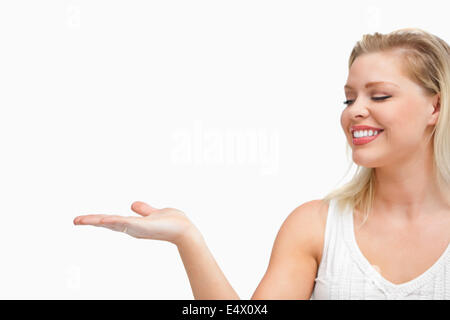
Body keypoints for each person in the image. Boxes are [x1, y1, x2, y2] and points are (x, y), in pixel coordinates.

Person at [73, 28, 450, 300]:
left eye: (379, 95)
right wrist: (188, 240)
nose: (356, 112)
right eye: (348, 99)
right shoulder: (316, 226)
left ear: (435, 106)